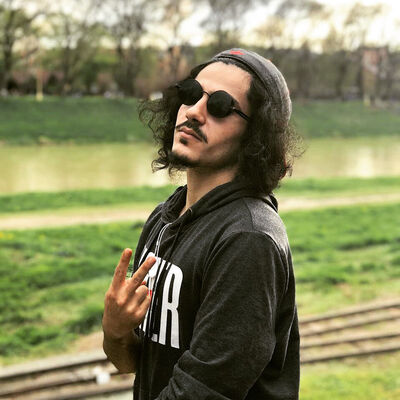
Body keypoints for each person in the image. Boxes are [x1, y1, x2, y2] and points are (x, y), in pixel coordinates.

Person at [102, 48, 301, 400]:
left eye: (221, 106)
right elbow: (138, 364)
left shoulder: (248, 238)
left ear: (256, 134)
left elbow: (203, 390)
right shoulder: (165, 218)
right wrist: (116, 332)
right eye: (191, 93)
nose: (194, 111)